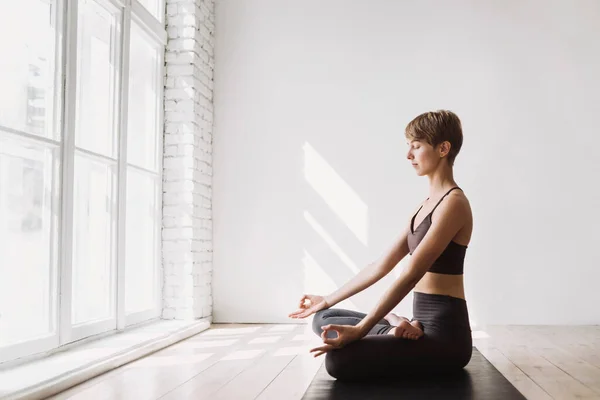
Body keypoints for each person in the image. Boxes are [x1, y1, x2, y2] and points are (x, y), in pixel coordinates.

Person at [289, 110, 473, 381]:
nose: (408, 155)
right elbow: (379, 266)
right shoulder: (424, 206)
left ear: (443, 148)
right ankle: (397, 325)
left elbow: (411, 274)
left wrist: (361, 330)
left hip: (445, 338)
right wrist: (325, 300)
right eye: (408, 146)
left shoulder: (454, 203)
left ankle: (396, 325)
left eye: (416, 146)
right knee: (323, 318)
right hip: (420, 326)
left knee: (338, 361)